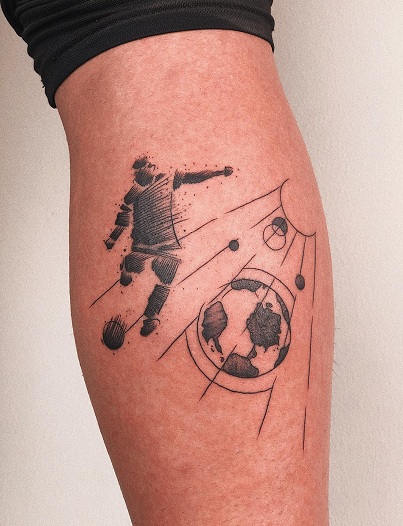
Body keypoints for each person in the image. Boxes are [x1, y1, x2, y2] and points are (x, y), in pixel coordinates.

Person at [1, 1, 334, 524]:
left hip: (157, 250)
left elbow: (171, 189)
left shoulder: (152, 184)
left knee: (134, 14)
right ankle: (148, 303)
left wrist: (208, 179)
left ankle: (150, 307)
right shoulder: (148, 188)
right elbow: (131, 212)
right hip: (155, 249)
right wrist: (119, 239)